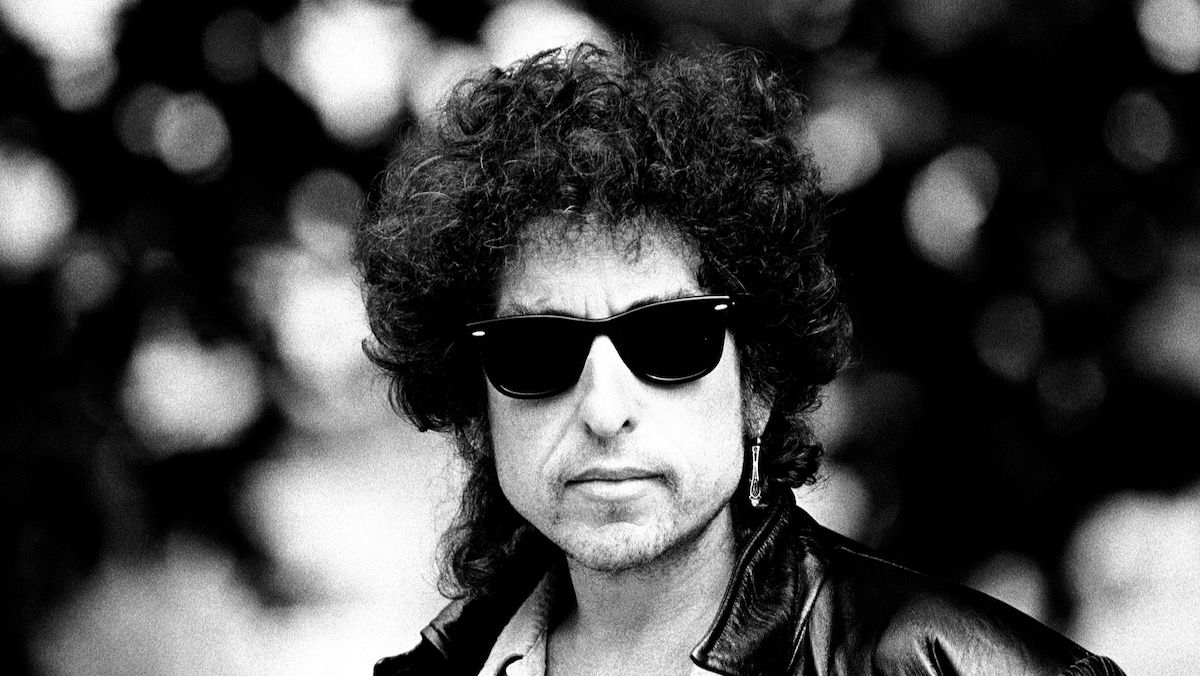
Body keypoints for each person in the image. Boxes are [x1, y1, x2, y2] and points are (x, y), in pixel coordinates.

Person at [356, 43, 1124, 676]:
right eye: (536, 352)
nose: (604, 408)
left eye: (668, 341)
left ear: (757, 386)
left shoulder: (946, 667)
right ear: (478, 408)